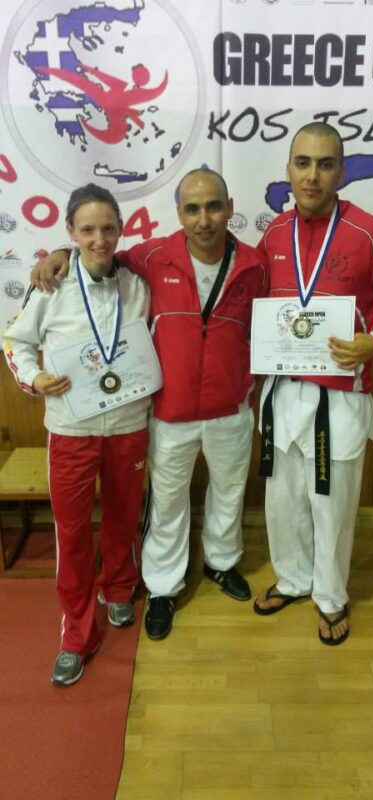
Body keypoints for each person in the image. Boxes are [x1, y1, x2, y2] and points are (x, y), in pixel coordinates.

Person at [30, 168, 267, 641]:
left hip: (231, 410)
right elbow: (98, 253)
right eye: (192, 209)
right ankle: (162, 586)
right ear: (178, 213)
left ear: (229, 208)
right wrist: (60, 254)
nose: (204, 219)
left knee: (228, 493)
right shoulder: (153, 256)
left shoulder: (255, 264)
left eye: (213, 207)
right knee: (167, 503)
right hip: (170, 412)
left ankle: (221, 563)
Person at [253, 122, 373, 644]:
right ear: (288, 170)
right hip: (282, 390)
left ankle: (330, 596)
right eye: (303, 163)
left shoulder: (371, 232)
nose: (312, 176)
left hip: (340, 394)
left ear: (341, 172)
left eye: (325, 164)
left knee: (332, 505)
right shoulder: (273, 234)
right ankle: (293, 579)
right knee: (283, 500)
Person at [3, 184, 152, 685]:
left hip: (128, 423)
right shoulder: (53, 285)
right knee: (71, 533)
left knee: (123, 517)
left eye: (108, 228)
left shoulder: (138, 284)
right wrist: (34, 379)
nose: (99, 239)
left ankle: (119, 588)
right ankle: (76, 633)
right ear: (70, 231)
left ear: (121, 229)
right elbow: (15, 342)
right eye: (87, 230)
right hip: (70, 428)